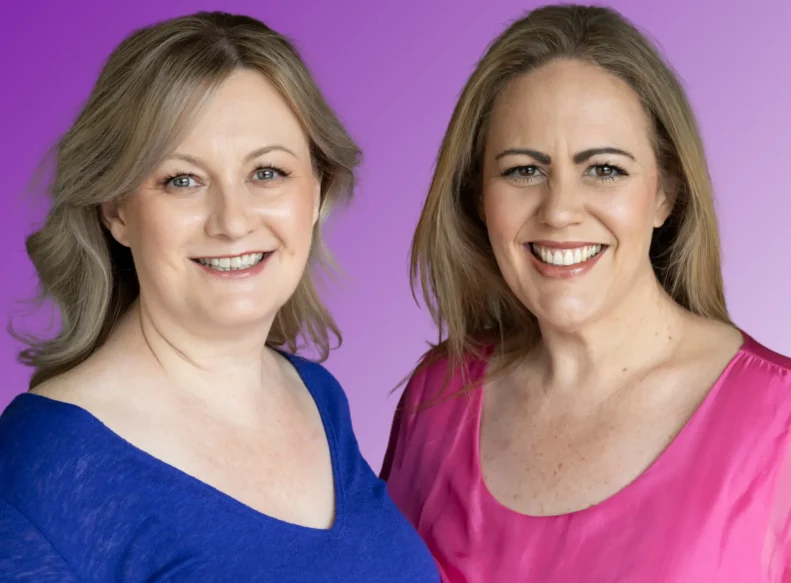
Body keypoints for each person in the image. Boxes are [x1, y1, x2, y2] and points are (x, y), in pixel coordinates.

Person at [0, 12, 439, 582]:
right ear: (116, 211)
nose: (232, 222)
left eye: (267, 172)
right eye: (182, 180)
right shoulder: (44, 468)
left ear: (317, 190)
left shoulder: (317, 398)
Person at [382, 4, 791, 582]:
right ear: (478, 196)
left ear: (665, 192)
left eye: (604, 169)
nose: (560, 211)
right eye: (524, 170)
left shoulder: (781, 424)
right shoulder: (438, 395)